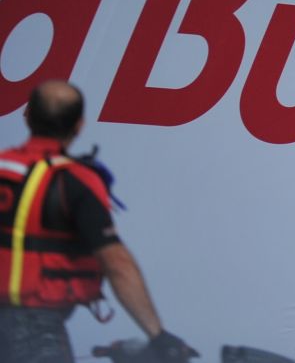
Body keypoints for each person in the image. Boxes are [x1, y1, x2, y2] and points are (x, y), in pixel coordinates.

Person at [0, 80, 194, 362]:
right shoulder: (73, 181)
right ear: (79, 125)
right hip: (34, 329)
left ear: (28, 115)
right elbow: (116, 263)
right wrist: (158, 336)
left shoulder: (5, 166)